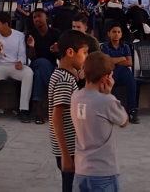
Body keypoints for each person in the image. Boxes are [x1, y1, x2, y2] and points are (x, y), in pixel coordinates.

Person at [71, 51, 130, 192]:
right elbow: (124, 121)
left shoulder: (75, 96)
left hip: (81, 170)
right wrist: (109, 94)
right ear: (105, 78)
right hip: (102, 172)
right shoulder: (107, 101)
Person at [48, 30, 92, 192]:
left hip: (70, 147)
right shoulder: (64, 80)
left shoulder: (62, 75)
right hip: (69, 149)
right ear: (70, 52)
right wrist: (65, 155)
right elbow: (57, 117)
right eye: (84, 53)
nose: (86, 57)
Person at [0, 12, 33, 123]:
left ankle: (24, 110)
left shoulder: (19, 36)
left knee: (28, 73)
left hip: (15, 66)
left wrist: (21, 62)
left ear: (5, 24)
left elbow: (22, 55)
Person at [26, 8, 61, 124]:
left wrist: (57, 49)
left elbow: (60, 56)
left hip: (50, 66)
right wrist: (31, 47)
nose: (36, 19)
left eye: (39, 16)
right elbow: (31, 57)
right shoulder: (31, 34)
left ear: (45, 17)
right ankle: (54, 93)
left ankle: (38, 112)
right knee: (41, 62)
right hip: (35, 64)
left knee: (39, 75)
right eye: (34, 17)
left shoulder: (55, 33)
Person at [100, 24, 140, 123]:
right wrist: (122, 58)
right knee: (109, 82)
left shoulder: (125, 46)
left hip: (124, 71)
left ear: (121, 34)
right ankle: (110, 112)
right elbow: (106, 62)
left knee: (132, 82)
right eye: (114, 32)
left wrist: (113, 60)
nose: (116, 34)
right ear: (109, 34)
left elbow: (129, 62)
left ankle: (132, 111)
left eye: (119, 32)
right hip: (110, 71)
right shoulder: (105, 47)